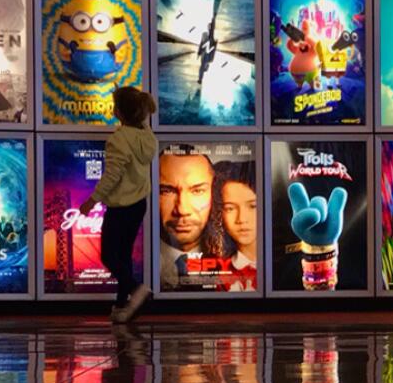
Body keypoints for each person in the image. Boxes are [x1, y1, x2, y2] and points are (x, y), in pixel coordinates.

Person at [78, 87, 157, 323]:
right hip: (138, 205)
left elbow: (112, 175)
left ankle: (137, 289)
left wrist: (92, 200)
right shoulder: (147, 136)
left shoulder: (119, 139)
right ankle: (121, 306)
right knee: (123, 256)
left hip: (120, 207)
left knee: (109, 257)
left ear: (119, 112)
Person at [159, 152, 215, 289]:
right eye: (167, 191)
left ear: (215, 193)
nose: (182, 210)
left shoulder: (233, 257)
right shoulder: (135, 261)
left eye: (197, 191)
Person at [204, 159, 258, 291]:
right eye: (230, 208)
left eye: (253, 206)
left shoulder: (282, 265)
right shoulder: (217, 270)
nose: (242, 219)